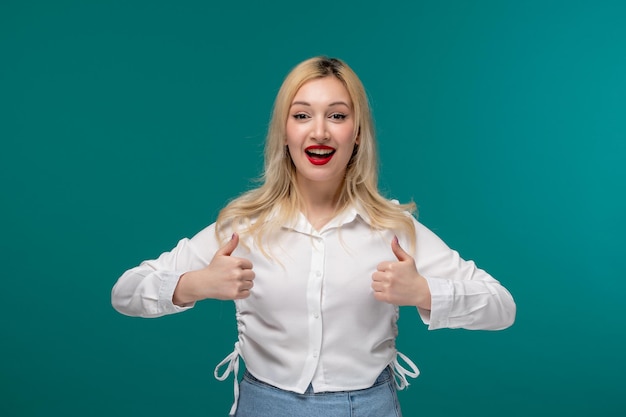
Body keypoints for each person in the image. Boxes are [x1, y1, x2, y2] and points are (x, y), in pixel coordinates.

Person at [111, 56, 516, 417]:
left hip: (368, 407)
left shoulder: (394, 228)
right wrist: (194, 283)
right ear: (284, 132)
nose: (319, 131)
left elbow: (502, 307)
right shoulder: (243, 226)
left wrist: (425, 292)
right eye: (302, 115)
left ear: (357, 133)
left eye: (337, 116)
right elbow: (125, 292)